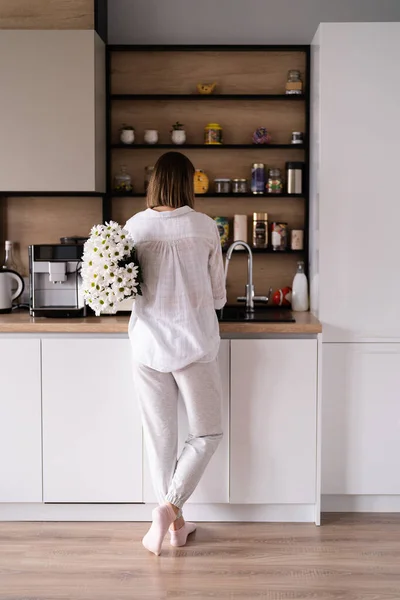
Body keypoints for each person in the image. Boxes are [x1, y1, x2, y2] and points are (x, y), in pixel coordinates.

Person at [124, 151, 227, 556]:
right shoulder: (204, 227)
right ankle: (172, 513)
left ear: (153, 182)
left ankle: (169, 514)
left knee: (160, 438)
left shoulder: (134, 226)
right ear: (188, 182)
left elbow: (125, 289)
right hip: (194, 345)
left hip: (147, 346)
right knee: (206, 433)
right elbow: (218, 296)